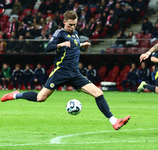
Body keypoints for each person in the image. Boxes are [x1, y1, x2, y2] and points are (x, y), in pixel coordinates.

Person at [1, 11, 130, 130]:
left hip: (75, 74)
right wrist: (60, 44)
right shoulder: (59, 33)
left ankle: (114, 121)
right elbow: (48, 47)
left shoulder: (75, 34)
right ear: (64, 22)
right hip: (61, 72)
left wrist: (81, 45)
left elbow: (72, 45)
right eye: (70, 25)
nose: (72, 27)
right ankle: (15, 95)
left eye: (74, 24)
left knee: (98, 93)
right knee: (41, 98)